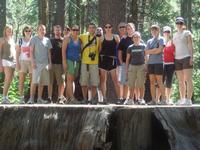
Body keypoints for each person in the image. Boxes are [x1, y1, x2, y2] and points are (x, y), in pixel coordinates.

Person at [27, 24, 52, 104]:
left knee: (42, 82)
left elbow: (49, 52)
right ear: (37, 30)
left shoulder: (47, 40)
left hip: (45, 64)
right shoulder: (34, 39)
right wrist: (32, 62)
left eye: (44, 29)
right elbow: (31, 51)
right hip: (36, 63)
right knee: (34, 82)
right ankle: (31, 99)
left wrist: (50, 63)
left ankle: (39, 99)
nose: (42, 31)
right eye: (41, 29)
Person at [173, 17, 193, 105]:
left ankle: (189, 100)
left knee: (188, 79)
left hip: (186, 57)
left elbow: (190, 45)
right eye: (178, 23)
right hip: (177, 59)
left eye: (181, 23)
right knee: (180, 81)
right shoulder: (174, 35)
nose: (179, 25)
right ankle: (182, 99)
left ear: (183, 24)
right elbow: (174, 47)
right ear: (176, 24)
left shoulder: (187, 33)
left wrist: (192, 57)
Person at [79, 23, 101, 104]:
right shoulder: (83, 36)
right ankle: (85, 99)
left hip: (94, 63)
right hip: (84, 62)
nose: (91, 29)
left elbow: (99, 50)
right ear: (88, 29)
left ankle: (92, 99)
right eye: (90, 28)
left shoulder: (98, 39)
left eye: (93, 28)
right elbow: (74, 36)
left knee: (94, 83)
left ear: (95, 29)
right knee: (83, 82)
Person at [99, 23, 120, 102]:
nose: (108, 28)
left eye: (109, 27)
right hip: (103, 59)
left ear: (112, 28)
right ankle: (104, 98)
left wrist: (119, 60)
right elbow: (99, 49)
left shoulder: (116, 37)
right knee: (103, 80)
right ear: (104, 28)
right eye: (106, 27)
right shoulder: (101, 37)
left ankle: (119, 98)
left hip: (113, 60)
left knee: (116, 80)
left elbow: (119, 49)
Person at [145, 24, 166, 105]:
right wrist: (154, 50)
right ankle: (154, 100)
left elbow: (160, 50)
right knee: (152, 81)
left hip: (159, 63)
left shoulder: (161, 39)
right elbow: (146, 52)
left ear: (158, 30)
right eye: (152, 30)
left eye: (155, 29)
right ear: (151, 31)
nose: (154, 31)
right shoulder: (149, 41)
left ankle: (164, 99)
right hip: (150, 63)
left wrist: (152, 51)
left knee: (160, 81)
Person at [62, 25, 81, 103]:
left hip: (77, 62)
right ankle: (72, 98)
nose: (75, 31)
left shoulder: (80, 40)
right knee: (69, 80)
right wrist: (64, 62)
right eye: (73, 29)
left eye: (77, 30)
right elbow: (63, 51)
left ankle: (68, 98)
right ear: (71, 31)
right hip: (69, 61)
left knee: (72, 80)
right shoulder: (67, 39)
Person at [125, 31, 146, 105]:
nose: (136, 38)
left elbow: (146, 57)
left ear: (140, 38)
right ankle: (131, 99)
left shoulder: (144, 46)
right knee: (131, 84)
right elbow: (127, 59)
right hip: (132, 66)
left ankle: (141, 99)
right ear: (132, 38)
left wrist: (146, 66)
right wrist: (126, 69)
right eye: (135, 37)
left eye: (138, 37)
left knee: (141, 84)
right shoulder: (130, 47)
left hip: (141, 66)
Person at [118, 23, 135, 104]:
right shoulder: (124, 39)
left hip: (135, 64)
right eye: (127, 28)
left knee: (134, 82)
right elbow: (120, 51)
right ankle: (124, 99)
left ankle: (134, 99)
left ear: (133, 29)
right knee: (125, 82)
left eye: (130, 28)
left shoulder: (137, 37)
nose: (129, 30)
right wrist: (121, 62)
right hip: (125, 63)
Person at [48, 25, 65, 103]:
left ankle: (60, 98)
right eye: (56, 30)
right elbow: (48, 52)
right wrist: (49, 63)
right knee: (50, 82)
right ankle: (49, 98)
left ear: (61, 31)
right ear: (53, 31)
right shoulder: (50, 40)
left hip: (60, 64)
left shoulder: (64, 40)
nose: (57, 32)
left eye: (59, 30)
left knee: (60, 82)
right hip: (51, 64)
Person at [16, 26, 32, 104]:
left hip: (31, 62)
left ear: (31, 32)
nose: (28, 32)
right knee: (22, 79)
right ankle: (21, 98)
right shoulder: (20, 40)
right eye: (26, 31)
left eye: (29, 30)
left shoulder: (33, 40)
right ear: (24, 32)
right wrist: (17, 63)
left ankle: (31, 98)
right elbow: (17, 52)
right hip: (22, 61)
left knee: (32, 80)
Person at [0, 25, 16, 104]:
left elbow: (14, 51)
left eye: (10, 30)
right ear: (5, 31)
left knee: (10, 79)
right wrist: (0, 64)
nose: (9, 31)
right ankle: (4, 98)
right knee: (7, 78)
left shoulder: (12, 40)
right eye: (8, 30)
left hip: (13, 61)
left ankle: (6, 97)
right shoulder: (2, 40)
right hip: (5, 60)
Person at [162, 26, 175, 104]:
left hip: (171, 64)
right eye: (165, 32)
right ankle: (160, 99)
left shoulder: (173, 41)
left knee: (169, 81)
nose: (166, 33)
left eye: (168, 32)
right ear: (163, 33)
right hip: (162, 64)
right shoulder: (160, 41)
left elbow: (175, 53)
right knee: (160, 81)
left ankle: (168, 99)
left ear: (170, 33)